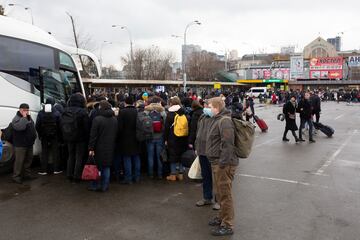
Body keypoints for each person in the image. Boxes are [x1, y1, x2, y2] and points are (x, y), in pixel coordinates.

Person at [206, 97, 237, 236]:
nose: (208, 108)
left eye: (210, 106)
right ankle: (221, 217)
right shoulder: (217, 119)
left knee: (225, 194)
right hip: (217, 162)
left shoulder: (225, 121)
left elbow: (228, 144)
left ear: (217, 108)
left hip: (223, 164)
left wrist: (223, 164)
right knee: (219, 193)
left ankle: (228, 224)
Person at [194, 98, 219, 210]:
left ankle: (219, 200)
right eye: (205, 105)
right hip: (202, 151)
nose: (206, 108)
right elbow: (198, 133)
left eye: (209, 106)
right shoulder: (202, 117)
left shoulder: (219, 119)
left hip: (214, 153)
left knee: (217, 178)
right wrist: (196, 147)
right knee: (206, 176)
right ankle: (207, 197)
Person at [88, 100, 118, 192]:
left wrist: (91, 148)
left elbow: (93, 135)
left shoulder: (97, 119)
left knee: (96, 167)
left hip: (98, 147)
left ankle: (95, 185)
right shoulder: (114, 119)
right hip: (110, 146)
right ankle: (105, 186)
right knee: (107, 166)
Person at [63, 93, 90, 183]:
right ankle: (76, 176)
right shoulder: (83, 112)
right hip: (80, 138)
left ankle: (69, 175)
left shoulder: (65, 110)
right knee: (79, 157)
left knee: (70, 156)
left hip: (69, 137)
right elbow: (86, 127)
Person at [164, 96, 188, 181]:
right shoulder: (184, 112)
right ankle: (181, 174)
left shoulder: (170, 114)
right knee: (181, 155)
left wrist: (165, 139)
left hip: (172, 137)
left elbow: (166, 128)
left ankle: (173, 174)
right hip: (183, 137)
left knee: (173, 156)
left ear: (171, 103)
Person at [118, 96, 141, 184]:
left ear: (125, 103)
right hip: (137, 137)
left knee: (127, 158)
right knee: (136, 157)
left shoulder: (122, 112)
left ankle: (128, 178)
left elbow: (120, 127)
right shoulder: (137, 111)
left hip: (125, 138)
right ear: (133, 103)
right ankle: (137, 177)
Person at [11, 103, 37, 184]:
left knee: (28, 160)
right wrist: (24, 117)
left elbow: (32, 126)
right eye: (25, 110)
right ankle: (16, 177)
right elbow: (20, 127)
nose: (26, 112)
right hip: (20, 144)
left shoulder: (28, 117)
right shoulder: (16, 118)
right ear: (20, 110)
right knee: (19, 161)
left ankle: (27, 175)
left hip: (29, 143)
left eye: (27, 110)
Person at [36, 98, 62, 175]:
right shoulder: (57, 112)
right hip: (55, 136)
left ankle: (43, 170)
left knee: (44, 152)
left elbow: (37, 125)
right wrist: (59, 135)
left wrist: (40, 134)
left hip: (44, 135)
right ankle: (56, 169)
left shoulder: (40, 112)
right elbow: (60, 125)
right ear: (53, 103)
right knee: (55, 152)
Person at [144, 97, 167, 179]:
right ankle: (160, 174)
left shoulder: (147, 110)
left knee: (150, 156)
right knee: (159, 156)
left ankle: (150, 174)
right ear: (158, 102)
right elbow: (165, 122)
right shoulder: (162, 111)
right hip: (160, 136)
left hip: (149, 136)